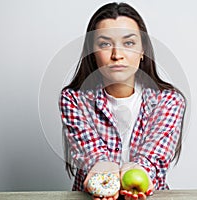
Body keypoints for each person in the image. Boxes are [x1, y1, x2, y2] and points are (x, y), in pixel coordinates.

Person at [59, 2, 186, 200]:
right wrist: (103, 170)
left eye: (128, 43)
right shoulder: (74, 100)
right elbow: (93, 156)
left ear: (143, 50)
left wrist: (138, 173)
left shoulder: (169, 100)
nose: (117, 55)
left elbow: (151, 160)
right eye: (104, 44)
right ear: (92, 53)